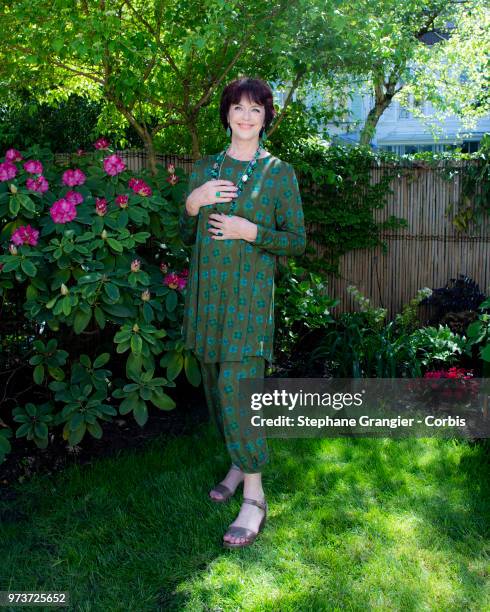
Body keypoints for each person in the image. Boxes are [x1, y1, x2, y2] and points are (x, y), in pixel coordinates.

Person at [178, 76, 306, 548]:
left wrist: (248, 230)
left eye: (256, 109)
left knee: (240, 385)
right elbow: (180, 230)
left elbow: (296, 240)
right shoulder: (205, 167)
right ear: (227, 114)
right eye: (238, 107)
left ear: (266, 117)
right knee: (215, 383)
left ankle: (254, 495)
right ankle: (236, 460)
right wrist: (193, 202)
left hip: (249, 301)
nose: (246, 116)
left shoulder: (279, 174)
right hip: (208, 297)